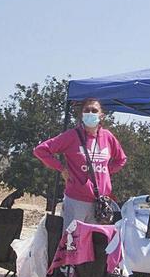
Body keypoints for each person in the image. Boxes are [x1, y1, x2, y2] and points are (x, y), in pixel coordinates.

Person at [33, 98, 127, 230]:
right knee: (71, 242)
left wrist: (105, 171)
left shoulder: (108, 137)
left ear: (101, 115)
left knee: (95, 245)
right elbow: (41, 150)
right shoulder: (72, 136)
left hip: (100, 203)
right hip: (76, 200)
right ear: (82, 114)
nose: (90, 113)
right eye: (86, 110)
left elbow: (121, 159)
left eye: (94, 110)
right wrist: (62, 168)